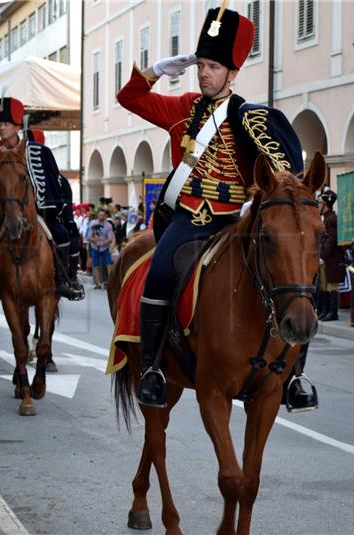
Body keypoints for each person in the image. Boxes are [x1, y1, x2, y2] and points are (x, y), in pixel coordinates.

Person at [117, 6, 304, 407]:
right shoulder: (182, 108)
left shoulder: (250, 118)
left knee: (291, 277)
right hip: (189, 220)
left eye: (214, 66)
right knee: (160, 272)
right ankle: (151, 368)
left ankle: (294, 377)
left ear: (232, 73)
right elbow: (128, 97)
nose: (204, 73)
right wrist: (156, 71)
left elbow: (284, 173)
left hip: (233, 222)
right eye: (201, 64)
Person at [0, 97, 84, 300]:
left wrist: (54, 207)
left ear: (17, 127)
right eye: (0, 124)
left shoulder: (39, 151)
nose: (2, 128)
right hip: (2, 212)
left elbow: (55, 182)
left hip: (38, 212)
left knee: (62, 235)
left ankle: (64, 280)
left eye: (6, 124)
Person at [318, 189, 341, 321]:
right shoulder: (326, 218)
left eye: (320, 203)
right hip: (324, 257)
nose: (319, 206)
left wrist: (323, 256)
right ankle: (325, 310)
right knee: (323, 285)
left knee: (331, 285)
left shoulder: (332, 219)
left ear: (326, 204)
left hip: (331, 258)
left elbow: (331, 240)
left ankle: (333, 312)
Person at [86, 209, 114, 289]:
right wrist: (94, 240)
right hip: (95, 247)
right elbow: (89, 236)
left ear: (105, 216)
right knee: (96, 266)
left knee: (108, 265)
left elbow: (110, 238)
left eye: (103, 215)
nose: (101, 216)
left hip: (105, 248)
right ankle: (98, 284)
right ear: (97, 215)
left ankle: (111, 283)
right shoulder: (93, 223)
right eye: (100, 215)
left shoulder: (108, 225)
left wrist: (103, 242)